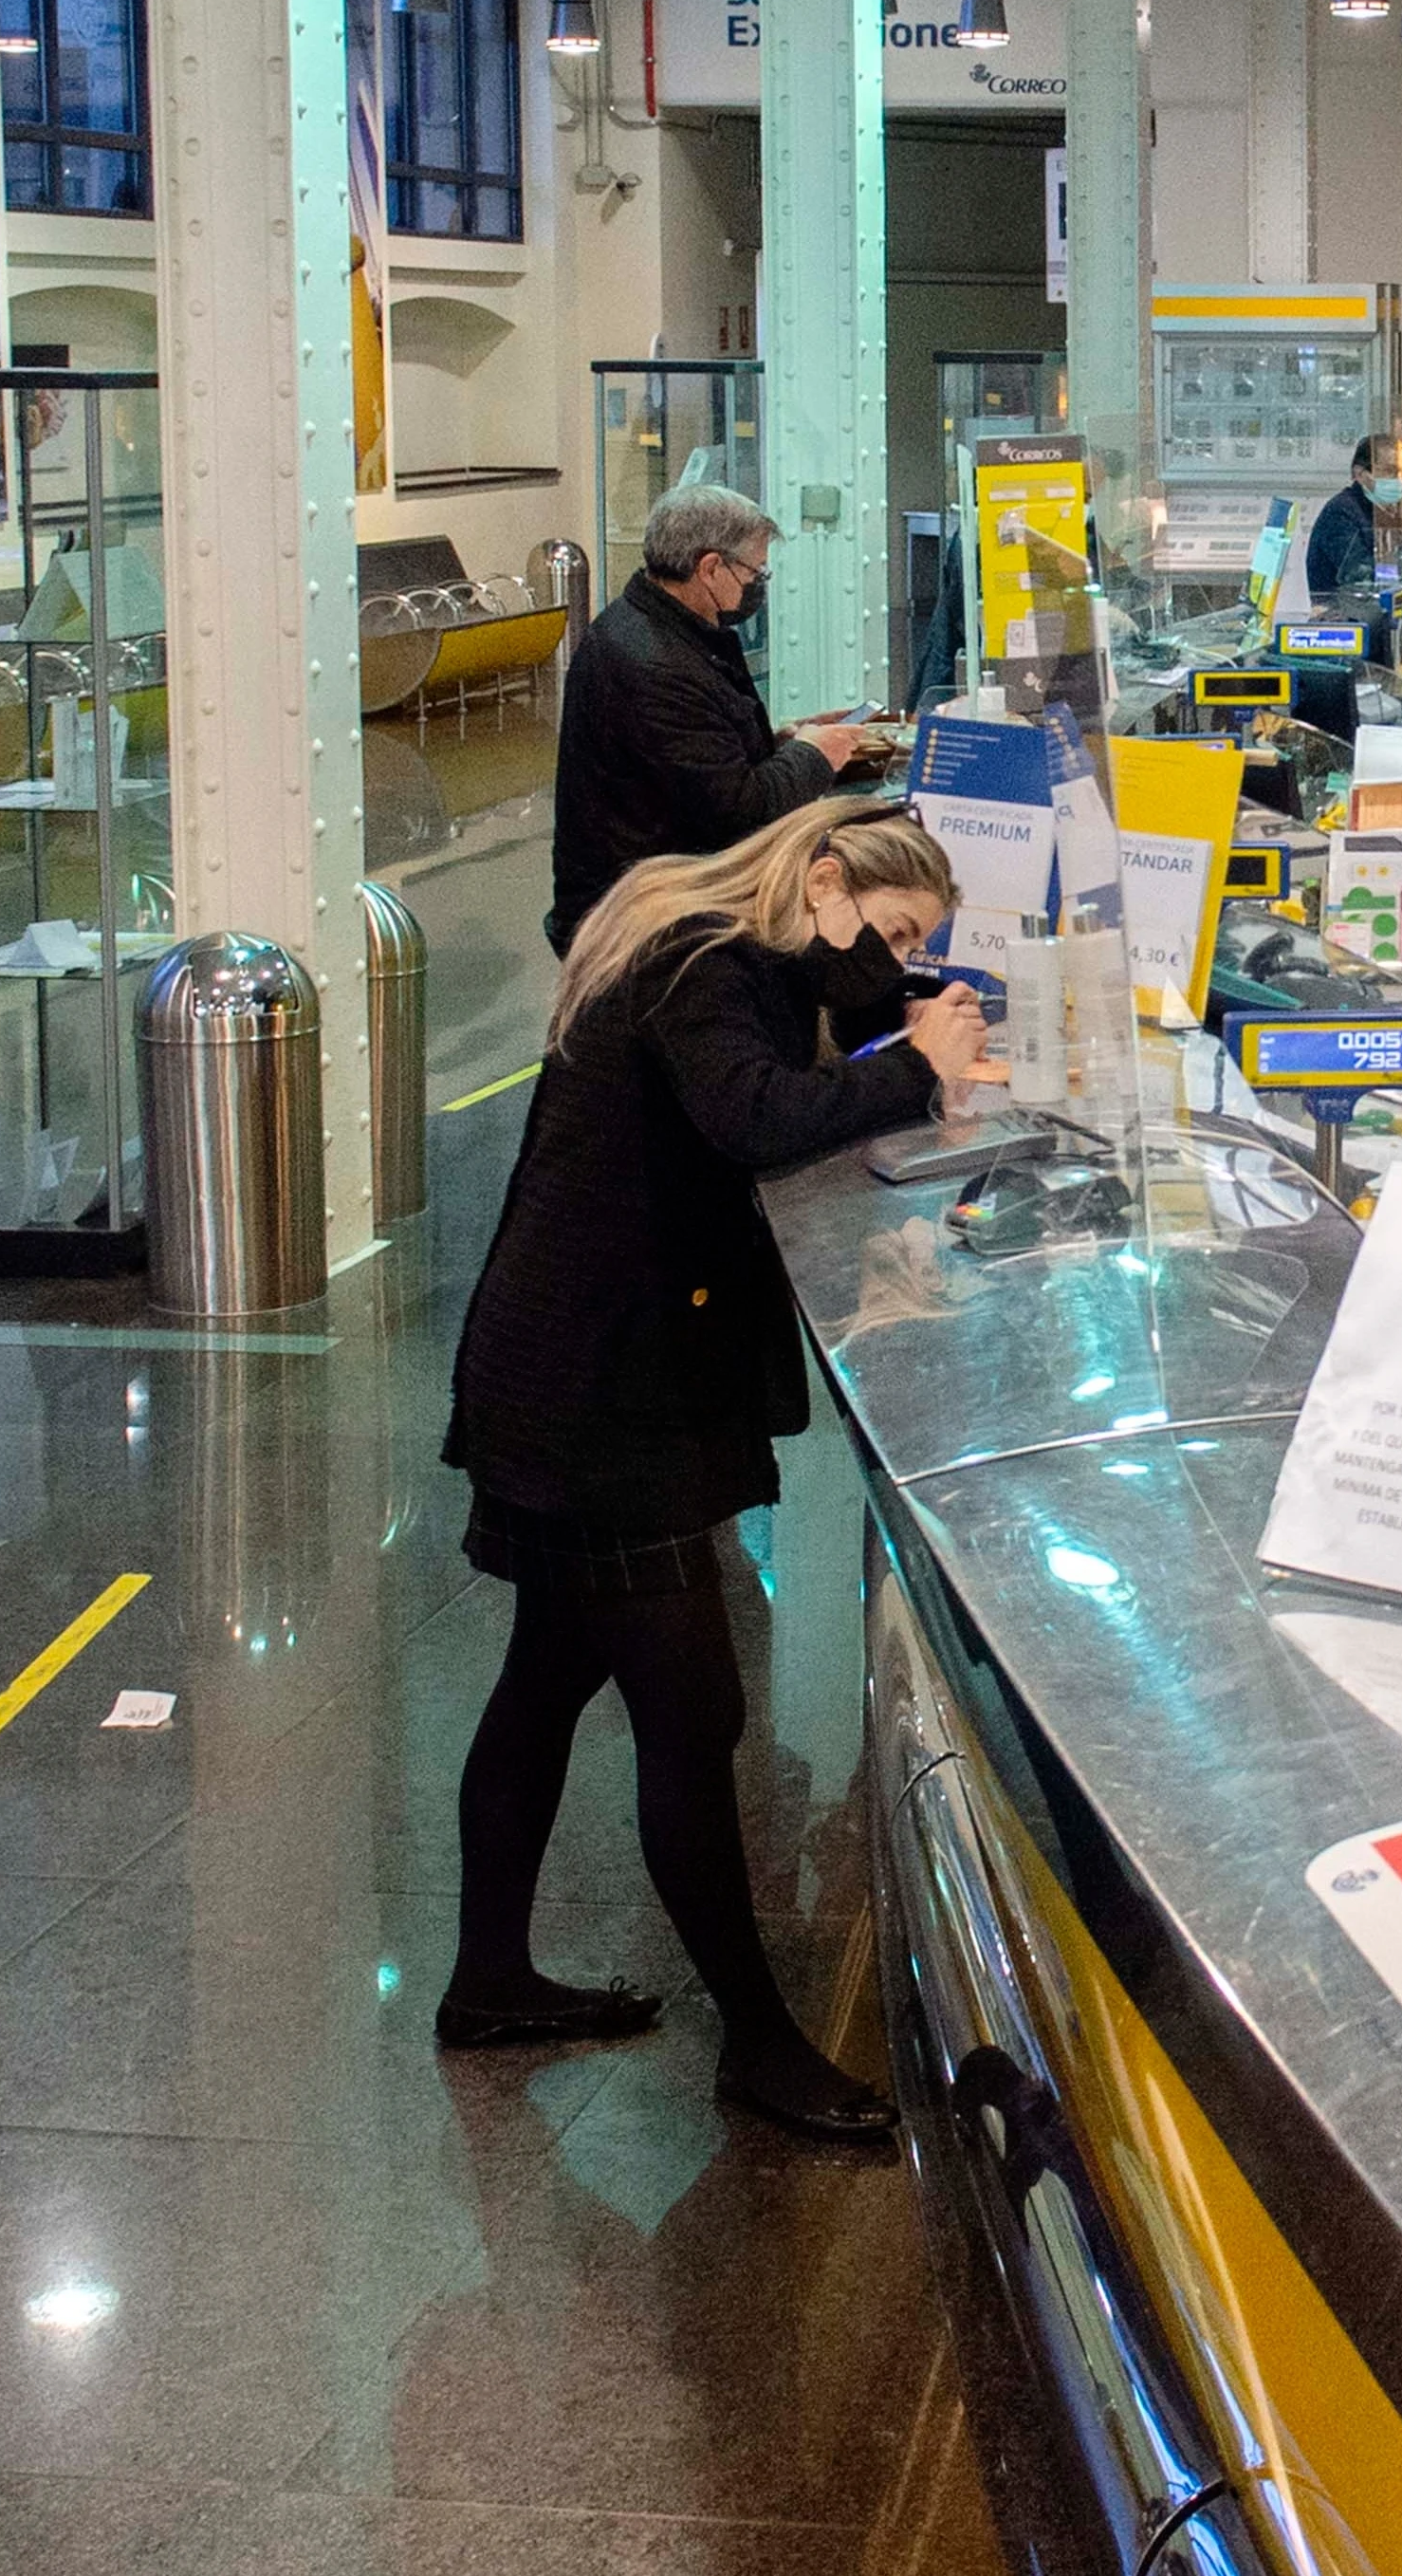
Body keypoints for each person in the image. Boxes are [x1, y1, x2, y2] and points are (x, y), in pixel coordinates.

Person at [441, 795, 1003, 2139]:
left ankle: (487, 1978)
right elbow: (754, 1115)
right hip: (596, 1404)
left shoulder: (721, 945)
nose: (906, 960)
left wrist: (882, 987)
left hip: (583, 1374)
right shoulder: (704, 967)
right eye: (900, 929)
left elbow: (802, 1054)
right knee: (692, 1724)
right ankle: (755, 2041)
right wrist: (922, 1063)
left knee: (545, 1678)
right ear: (820, 877)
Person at [550, 483, 877, 954]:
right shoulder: (653, 664)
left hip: (656, 887)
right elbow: (739, 813)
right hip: (645, 920)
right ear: (709, 568)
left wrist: (785, 741)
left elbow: (702, 761)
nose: (758, 584)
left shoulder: (667, 631)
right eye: (754, 571)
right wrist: (814, 754)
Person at [1302, 430, 1402, 612]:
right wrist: (1401, 571)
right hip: (1338, 616)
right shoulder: (1341, 513)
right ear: (1361, 474)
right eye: (1389, 471)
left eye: (1401, 472)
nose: (1398, 480)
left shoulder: (1381, 511)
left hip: (1369, 610)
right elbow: (1359, 572)